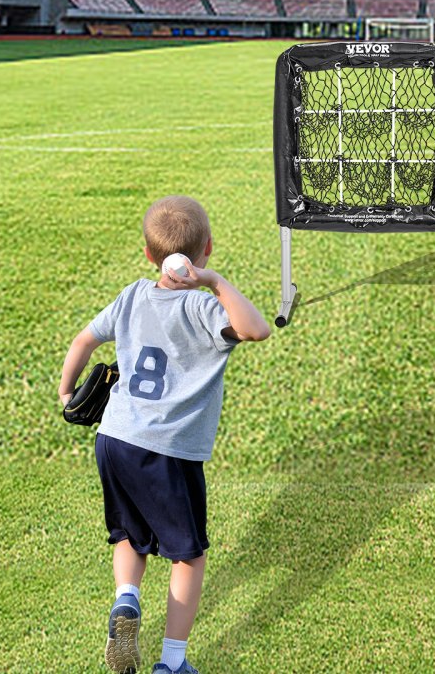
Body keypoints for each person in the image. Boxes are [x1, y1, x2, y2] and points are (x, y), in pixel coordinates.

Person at [58, 195, 271, 674]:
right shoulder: (202, 309)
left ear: (149, 255)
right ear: (208, 249)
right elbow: (256, 329)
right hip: (168, 452)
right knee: (187, 556)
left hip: (114, 439)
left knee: (130, 536)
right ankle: (172, 663)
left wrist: (66, 389)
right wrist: (215, 283)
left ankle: (126, 599)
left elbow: (83, 340)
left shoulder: (132, 294)